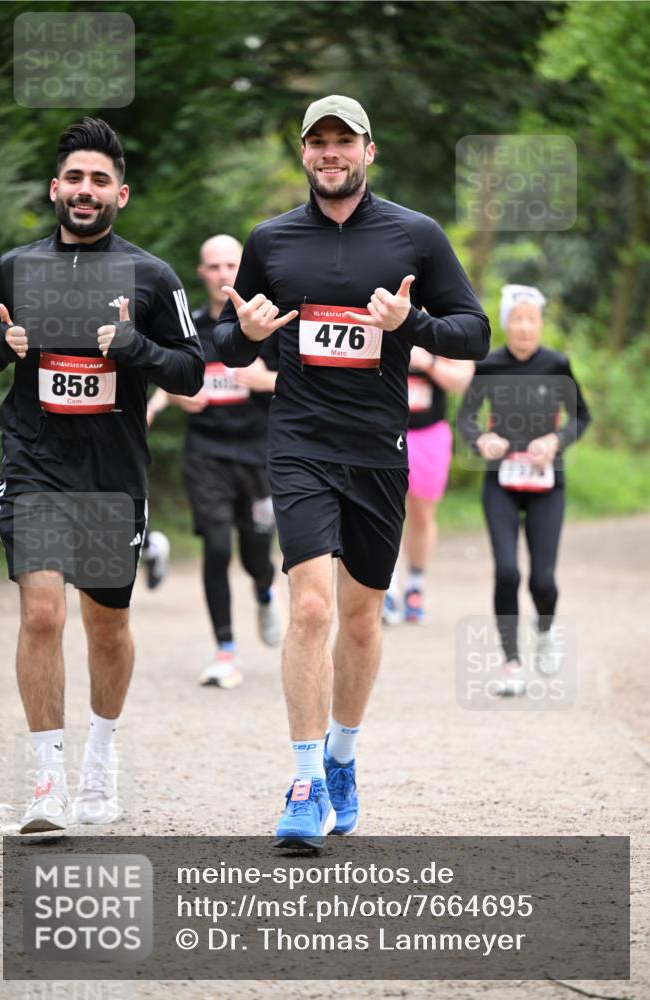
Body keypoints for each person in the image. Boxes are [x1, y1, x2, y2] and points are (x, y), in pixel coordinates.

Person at [213, 95, 490, 848]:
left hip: (378, 450)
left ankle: (340, 756)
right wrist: (242, 334)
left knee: (361, 618)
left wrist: (413, 327)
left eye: (344, 141)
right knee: (309, 609)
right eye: (317, 142)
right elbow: (230, 345)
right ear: (302, 153)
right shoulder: (271, 240)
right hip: (298, 442)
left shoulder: (415, 235)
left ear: (369, 150)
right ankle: (303, 782)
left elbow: (473, 329)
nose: (330, 153)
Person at [0, 117, 204, 834]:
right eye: (74, 178)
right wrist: (2, 345)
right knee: (43, 611)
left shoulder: (151, 276)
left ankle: (100, 758)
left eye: (99, 180)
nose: (85, 190)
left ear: (122, 194)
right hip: (36, 463)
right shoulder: (15, 269)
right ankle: (45, 782)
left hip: (112, 474)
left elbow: (193, 370)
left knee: (105, 624)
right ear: (55, 188)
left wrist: (138, 346)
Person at [147, 234, 282, 689]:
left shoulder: (264, 321)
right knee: (218, 547)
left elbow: (300, 380)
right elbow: (171, 378)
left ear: (243, 268)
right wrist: (170, 401)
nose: (223, 274)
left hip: (260, 454)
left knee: (256, 556)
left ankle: (266, 591)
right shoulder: (190, 327)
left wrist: (264, 379)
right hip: (207, 453)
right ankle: (225, 650)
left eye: (231, 265)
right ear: (202, 272)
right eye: (214, 267)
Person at [457, 284, 590, 695]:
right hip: (501, 480)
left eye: (532, 320)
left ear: (540, 324)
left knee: (542, 580)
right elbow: (466, 419)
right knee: (508, 571)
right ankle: (512, 664)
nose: (525, 327)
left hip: (546, 481)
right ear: (506, 323)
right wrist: (481, 441)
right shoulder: (489, 365)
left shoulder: (557, 363)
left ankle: (546, 630)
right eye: (518, 319)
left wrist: (555, 442)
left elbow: (580, 417)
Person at [382, 347, 474, 625]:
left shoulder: (441, 321)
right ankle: (387, 587)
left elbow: (463, 379)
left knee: (422, 515)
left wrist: (428, 361)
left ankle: (415, 585)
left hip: (428, 433)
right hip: (384, 429)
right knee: (384, 513)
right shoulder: (378, 310)